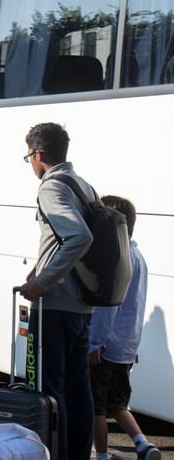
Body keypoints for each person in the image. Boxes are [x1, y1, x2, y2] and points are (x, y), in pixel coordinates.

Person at [20, 122, 95, 460]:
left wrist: (42, 282)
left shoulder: (51, 187)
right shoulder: (83, 184)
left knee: (49, 390)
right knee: (78, 389)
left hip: (56, 305)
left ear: (38, 154)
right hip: (82, 304)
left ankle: (55, 454)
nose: (31, 165)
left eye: (29, 158)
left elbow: (79, 237)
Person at [90, 196, 161, 460]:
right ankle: (143, 444)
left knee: (96, 406)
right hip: (126, 346)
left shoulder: (117, 256)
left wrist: (94, 342)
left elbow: (108, 307)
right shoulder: (137, 254)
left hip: (106, 345)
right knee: (118, 402)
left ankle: (101, 456)